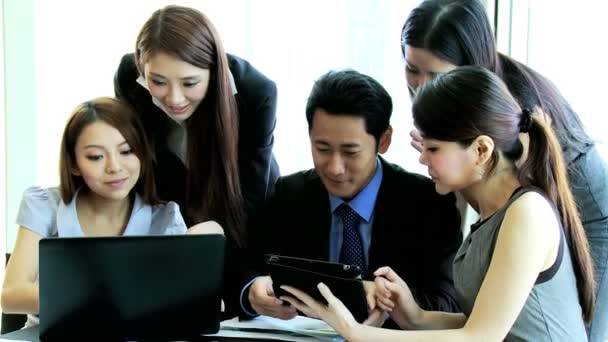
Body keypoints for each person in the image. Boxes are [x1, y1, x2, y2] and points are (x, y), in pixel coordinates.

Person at [281, 67, 596, 341]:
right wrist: (415, 316)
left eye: (433, 148)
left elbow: (480, 337)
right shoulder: (495, 213)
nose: (422, 157)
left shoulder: (527, 214)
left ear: (481, 150)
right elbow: (481, 323)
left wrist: (355, 331)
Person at [400, 1, 608, 339]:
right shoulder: (453, 109)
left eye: (436, 76)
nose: (421, 87)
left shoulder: (510, 101)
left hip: (589, 209)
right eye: (412, 70)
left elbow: (512, 203)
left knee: (583, 327)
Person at [241, 69, 462, 322]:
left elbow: (449, 303)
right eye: (322, 148)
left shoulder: (428, 203)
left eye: (350, 152)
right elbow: (252, 265)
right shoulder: (290, 194)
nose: (335, 167)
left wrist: (386, 300)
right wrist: (253, 290)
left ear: (384, 141)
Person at [113, 5, 279, 317]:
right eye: (158, 81)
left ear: (214, 71)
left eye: (190, 83)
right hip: (172, 212)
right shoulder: (128, 79)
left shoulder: (257, 94)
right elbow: (143, 178)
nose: (174, 98)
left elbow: (249, 204)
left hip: (237, 206)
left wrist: (244, 287)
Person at [0, 97, 222, 328]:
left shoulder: (164, 218)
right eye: (96, 156)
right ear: (74, 163)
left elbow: (184, 301)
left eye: (127, 151)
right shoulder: (44, 205)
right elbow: (11, 296)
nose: (114, 167)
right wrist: (108, 297)